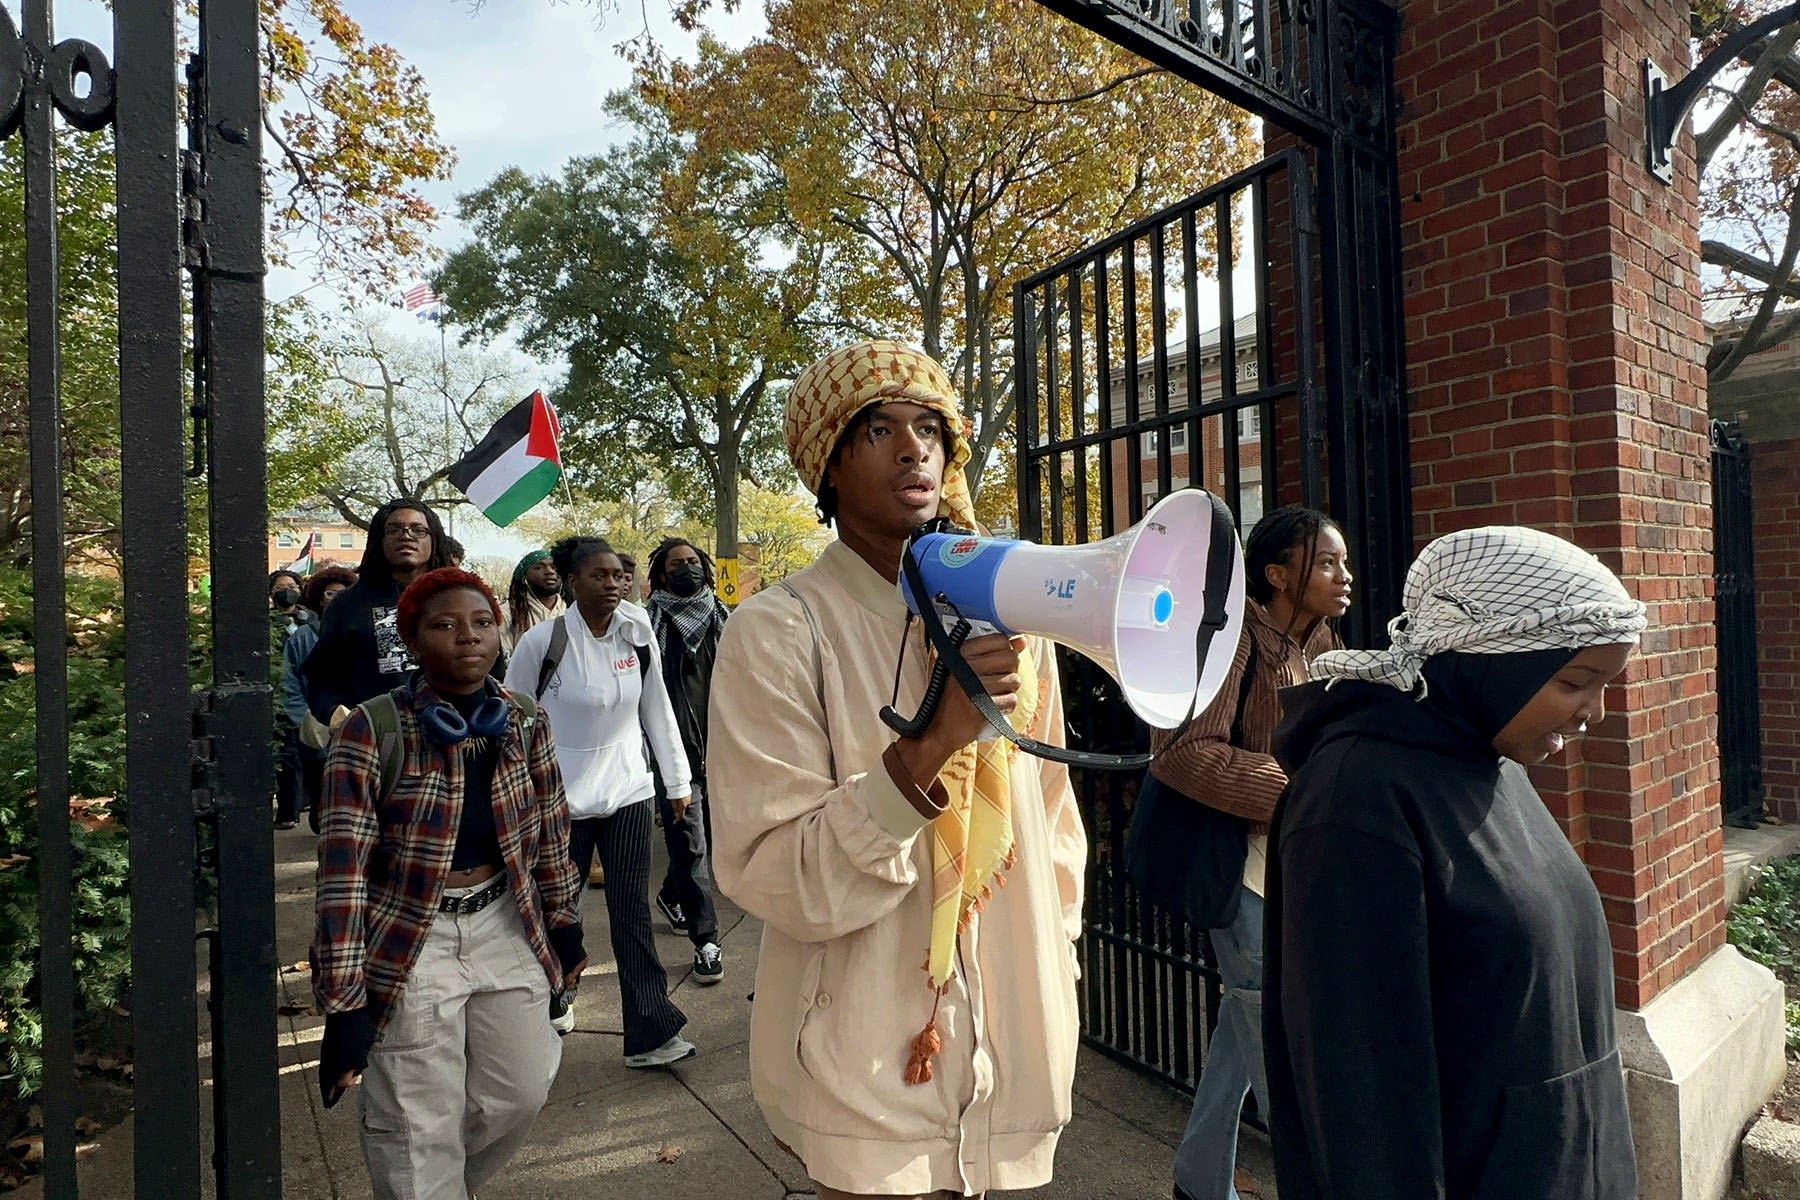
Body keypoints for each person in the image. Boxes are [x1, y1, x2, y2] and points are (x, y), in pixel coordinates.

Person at [707, 340, 1085, 1199]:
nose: (915, 448)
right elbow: (774, 871)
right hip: (863, 1071)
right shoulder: (778, 630)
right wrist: (931, 742)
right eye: (878, 429)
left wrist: (1056, 963)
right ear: (829, 466)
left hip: (1016, 1057)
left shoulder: (1016, 622)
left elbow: (1056, 823)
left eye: (930, 428)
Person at [1264, 526, 1646, 1199]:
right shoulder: (1357, 800)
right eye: (1576, 681)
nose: (1597, 712)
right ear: (1493, 660)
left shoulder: (1490, 758)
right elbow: (1361, 1096)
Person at [311, 567, 585, 1200]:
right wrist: (345, 1001)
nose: (469, 637)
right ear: (413, 641)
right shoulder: (371, 730)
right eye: (445, 625)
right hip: (411, 935)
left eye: (483, 622)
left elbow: (550, 831)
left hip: (503, 921)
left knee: (519, 1090)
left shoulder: (524, 720)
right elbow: (343, 874)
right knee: (415, 1121)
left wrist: (564, 923)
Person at [1149, 505, 1351, 1200]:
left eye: (1342, 563)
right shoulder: (1230, 641)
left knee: (1246, 1021)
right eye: (1326, 564)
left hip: (1298, 862)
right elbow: (1179, 752)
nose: (1343, 576)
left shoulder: (1325, 640)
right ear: (1276, 574)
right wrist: (1297, 791)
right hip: (1238, 866)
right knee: (1274, 1035)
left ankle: (1200, 1182)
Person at [504, 535, 703, 1064]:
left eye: (619, 575)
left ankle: (651, 1031)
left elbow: (656, 709)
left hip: (629, 791)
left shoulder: (637, 634)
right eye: (600, 575)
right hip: (557, 804)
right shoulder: (541, 643)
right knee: (557, 910)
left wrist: (675, 782)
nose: (614, 584)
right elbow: (511, 720)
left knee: (631, 912)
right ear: (571, 582)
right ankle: (553, 998)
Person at [643, 537, 727, 979]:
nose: (687, 569)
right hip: (674, 756)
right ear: (660, 575)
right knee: (690, 843)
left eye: (693, 562)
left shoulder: (723, 619)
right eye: (677, 564)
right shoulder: (646, 625)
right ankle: (706, 940)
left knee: (715, 836)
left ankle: (673, 894)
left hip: (723, 749)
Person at [303, 499, 452, 724]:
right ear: (378, 540)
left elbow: (491, 668)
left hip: (453, 731)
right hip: (376, 739)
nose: (406, 535)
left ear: (434, 539)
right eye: (394, 529)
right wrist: (337, 715)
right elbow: (321, 678)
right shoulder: (347, 604)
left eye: (418, 530)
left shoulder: (457, 598)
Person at [277, 565, 358, 830]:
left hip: (358, 725)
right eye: (330, 594)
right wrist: (303, 717)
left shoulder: (362, 633)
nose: (337, 599)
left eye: (344, 593)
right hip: (317, 725)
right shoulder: (302, 637)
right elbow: (289, 682)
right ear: (319, 598)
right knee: (322, 792)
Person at [501, 549, 565, 654]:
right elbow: (505, 660)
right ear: (524, 577)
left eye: (554, 567)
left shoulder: (574, 610)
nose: (550, 571)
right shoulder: (508, 613)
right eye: (538, 567)